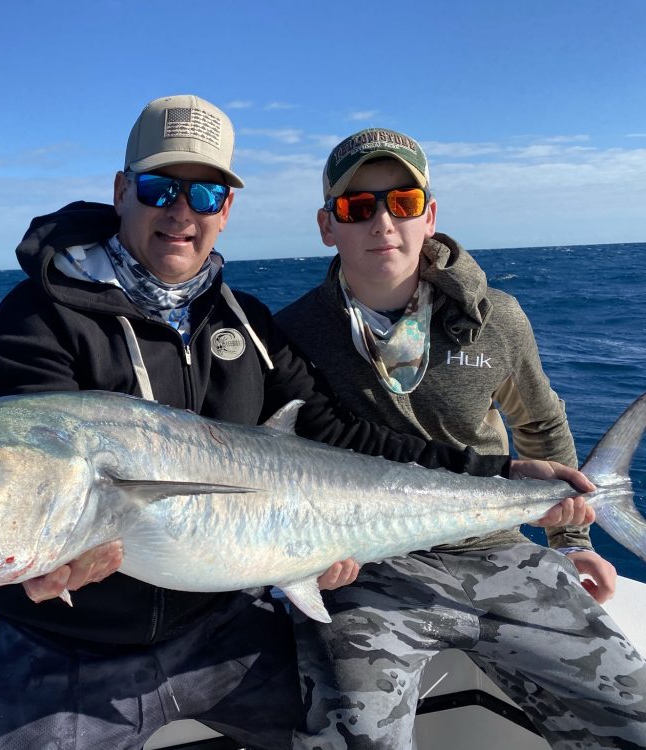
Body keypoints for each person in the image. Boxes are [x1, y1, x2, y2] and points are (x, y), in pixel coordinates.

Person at [0, 98, 591, 750]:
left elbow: (344, 439)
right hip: (65, 650)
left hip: (225, 632)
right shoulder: (36, 320)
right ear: (122, 191)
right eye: (160, 188)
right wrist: (31, 559)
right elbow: (31, 474)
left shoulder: (248, 325)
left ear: (226, 211)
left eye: (206, 193)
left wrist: (504, 473)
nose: (183, 211)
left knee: (346, 731)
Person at [276, 127, 646, 749]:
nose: (382, 222)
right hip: (369, 567)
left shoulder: (495, 318)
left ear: (430, 215)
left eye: (403, 202)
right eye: (356, 207)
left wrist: (572, 535)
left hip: (498, 550)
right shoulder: (293, 335)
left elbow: (540, 423)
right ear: (326, 226)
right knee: (353, 735)